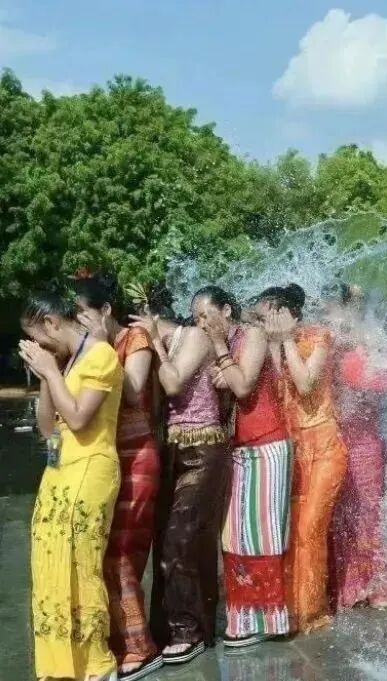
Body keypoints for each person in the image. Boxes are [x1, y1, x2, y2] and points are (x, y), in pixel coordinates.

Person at [20, 293, 124, 681]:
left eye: (39, 339)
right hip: (59, 469)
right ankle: (58, 667)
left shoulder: (101, 355)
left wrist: (51, 372)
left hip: (92, 467)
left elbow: (79, 419)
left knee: (81, 564)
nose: (39, 349)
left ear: (51, 323)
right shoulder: (66, 364)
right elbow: (49, 430)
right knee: (48, 561)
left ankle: (96, 664)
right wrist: (48, 376)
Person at [192, 286, 293, 648]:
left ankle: (269, 619)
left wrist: (221, 351)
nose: (201, 324)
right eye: (196, 318)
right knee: (234, 535)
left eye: (206, 315)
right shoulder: (221, 344)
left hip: (267, 445)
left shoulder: (252, 335)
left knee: (262, 534)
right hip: (236, 449)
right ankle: (242, 617)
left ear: (226, 310)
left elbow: (244, 385)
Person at [131, 286, 227, 666]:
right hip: (170, 449)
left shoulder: (195, 336)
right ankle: (166, 629)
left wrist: (154, 340)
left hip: (203, 448)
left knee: (181, 538)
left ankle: (190, 630)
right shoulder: (156, 345)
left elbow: (173, 383)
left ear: (152, 317)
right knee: (165, 540)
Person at [73, 275, 162, 680]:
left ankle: (141, 647)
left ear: (105, 310)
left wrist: (101, 348)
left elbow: (135, 389)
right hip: (103, 458)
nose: (80, 320)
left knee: (124, 551)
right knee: (103, 550)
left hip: (136, 454)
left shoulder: (134, 338)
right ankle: (116, 640)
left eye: (84, 312)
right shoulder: (90, 345)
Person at [259, 285, 348, 633]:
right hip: (295, 449)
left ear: (289, 313)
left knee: (311, 528)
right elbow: (277, 393)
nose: (265, 322)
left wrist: (284, 341)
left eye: (270, 314)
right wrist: (275, 344)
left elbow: (306, 383)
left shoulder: (318, 336)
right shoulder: (275, 343)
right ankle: (290, 610)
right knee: (293, 530)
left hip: (325, 446)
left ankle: (311, 612)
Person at [328, 309, 387, 609]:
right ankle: (350, 584)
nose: (339, 333)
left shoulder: (367, 360)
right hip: (337, 443)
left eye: (345, 327)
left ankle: (377, 584)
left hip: (365, 447)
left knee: (368, 513)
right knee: (343, 516)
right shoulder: (330, 360)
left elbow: (381, 387)